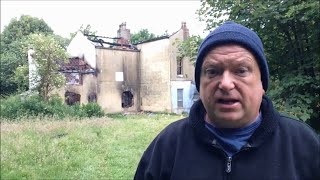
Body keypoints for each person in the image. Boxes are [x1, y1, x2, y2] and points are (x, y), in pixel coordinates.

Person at [134, 21, 320, 179]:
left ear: (262, 83)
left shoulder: (303, 145)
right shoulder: (168, 145)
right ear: (200, 84)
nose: (225, 84)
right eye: (213, 71)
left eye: (241, 70)